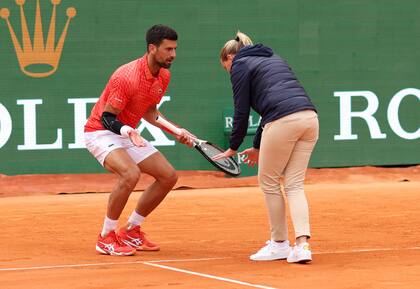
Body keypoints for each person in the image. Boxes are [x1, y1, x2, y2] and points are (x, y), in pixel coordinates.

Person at [84, 24, 194, 256]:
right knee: (130, 174)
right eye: (168, 49)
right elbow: (106, 118)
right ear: (152, 48)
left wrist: (176, 130)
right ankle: (106, 237)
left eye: (175, 49)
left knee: (168, 176)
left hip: (126, 133)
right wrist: (128, 131)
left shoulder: (164, 75)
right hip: (100, 132)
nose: (173, 54)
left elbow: (150, 111)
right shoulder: (126, 76)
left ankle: (131, 230)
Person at [214, 31, 319, 263]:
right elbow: (270, 108)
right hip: (310, 119)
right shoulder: (275, 58)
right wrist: (257, 146)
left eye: (226, 68)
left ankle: (279, 244)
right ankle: (302, 246)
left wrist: (233, 147)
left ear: (230, 57)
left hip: (283, 121)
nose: (229, 73)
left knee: (269, 182)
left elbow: (241, 111)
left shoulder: (240, 65)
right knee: (294, 184)